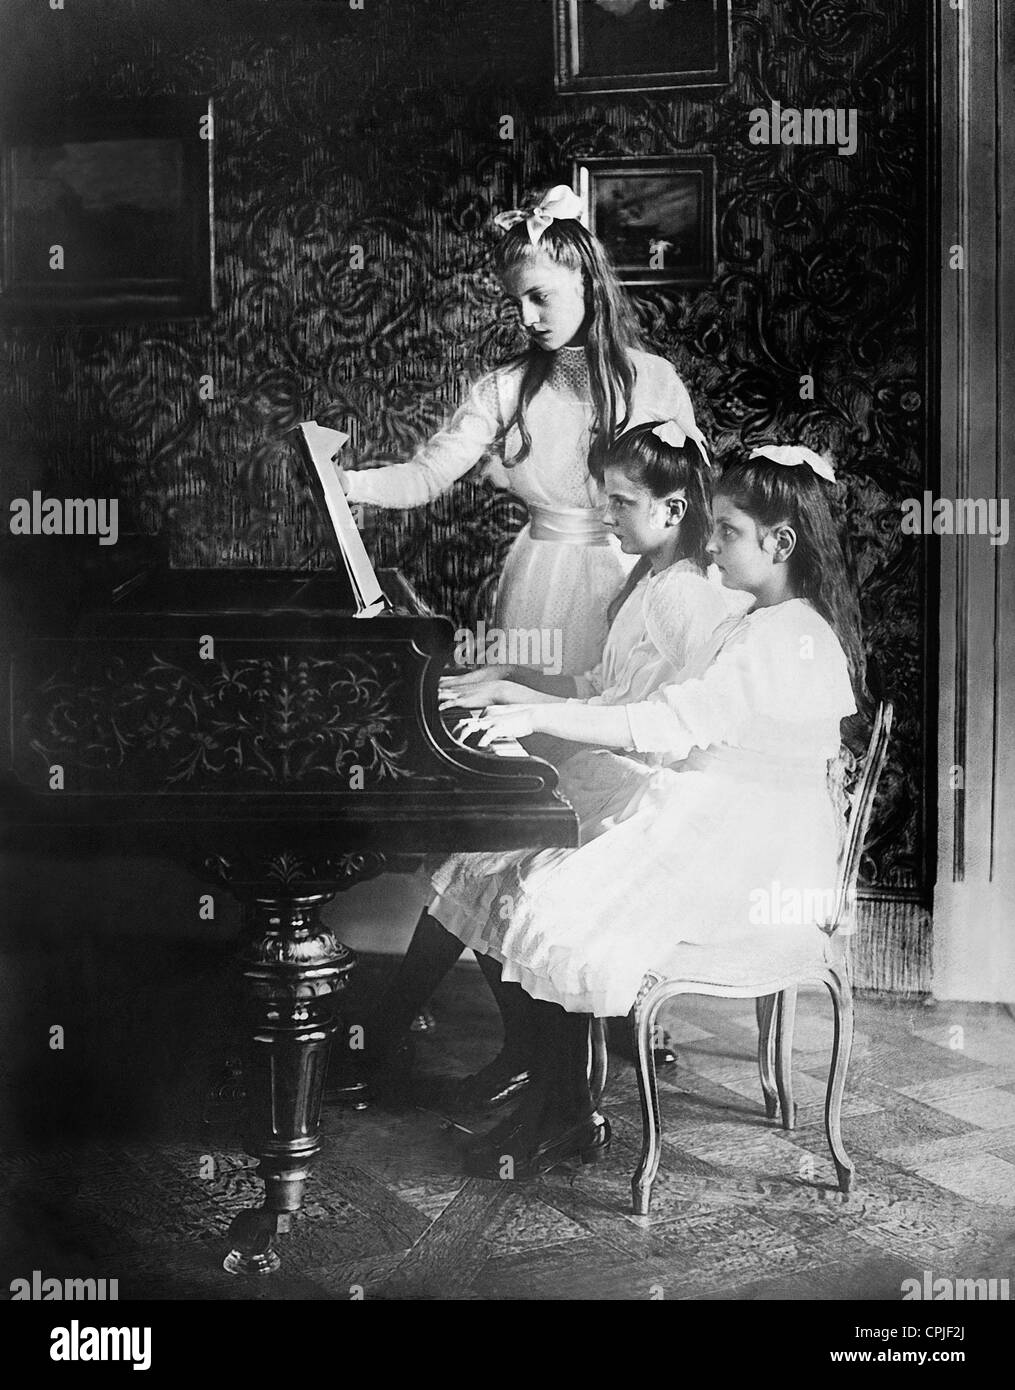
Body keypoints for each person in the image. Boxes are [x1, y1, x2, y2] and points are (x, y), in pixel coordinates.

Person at [427, 444, 867, 1176]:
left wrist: (534, 717)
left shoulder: (787, 639)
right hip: (729, 822)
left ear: (779, 543)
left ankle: (563, 1109)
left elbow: (665, 723)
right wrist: (535, 706)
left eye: (727, 531)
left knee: (552, 910)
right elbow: (657, 713)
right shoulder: (768, 622)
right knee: (529, 886)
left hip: (752, 858)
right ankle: (557, 1101)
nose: (712, 543)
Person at [360, 420, 747, 1108]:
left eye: (621, 502)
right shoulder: (648, 579)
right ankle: (511, 1053)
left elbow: (684, 725)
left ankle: (534, 1070)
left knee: (496, 876)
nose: (605, 515)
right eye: (604, 499)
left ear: (672, 509)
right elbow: (598, 684)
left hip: (663, 805)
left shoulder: (686, 594)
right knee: (472, 866)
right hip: (622, 779)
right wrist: (511, 680)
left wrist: (534, 713)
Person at [335, 185, 698, 677]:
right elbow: (426, 477)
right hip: (538, 579)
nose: (527, 318)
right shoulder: (505, 389)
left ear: (587, 284)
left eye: (540, 297)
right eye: (518, 301)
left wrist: (659, 587)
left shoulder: (654, 380)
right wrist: (351, 485)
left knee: (616, 710)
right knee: (528, 709)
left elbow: (689, 503)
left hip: (635, 575)